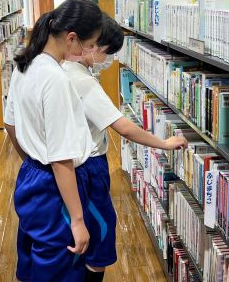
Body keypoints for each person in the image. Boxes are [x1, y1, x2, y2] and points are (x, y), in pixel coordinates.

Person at [62, 14, 188, 281]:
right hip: (89, 166)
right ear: (92, 45)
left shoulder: (60, 69)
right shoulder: (83, 82)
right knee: (102, 233)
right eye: (107, 51)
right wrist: (164, 143)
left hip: (72, 165)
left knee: (86, 233)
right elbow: (125, 128)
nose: (108, 59)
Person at [3, 0, 104, 282]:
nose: (90, 53)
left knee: (33, 258)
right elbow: (61, 159)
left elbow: (9, 125)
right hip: (56, 188)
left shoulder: (25, 64)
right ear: (71, 39)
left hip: (31, 178)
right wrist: (78, 220)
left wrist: (34, 161)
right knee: (60, 266)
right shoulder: (56, 79)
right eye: (89, 45)